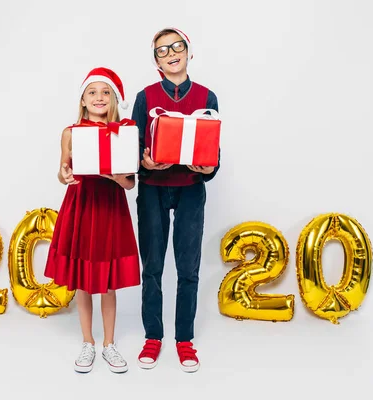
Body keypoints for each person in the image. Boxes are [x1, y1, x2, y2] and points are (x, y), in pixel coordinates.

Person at [131, 27, 220, 373]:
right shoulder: (145, 96)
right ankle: (153, 336)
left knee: (189, 269)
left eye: (176, 46)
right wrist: (144, 161)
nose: (171, 53)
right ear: (156, 62)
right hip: (153, 187)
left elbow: (214, 150)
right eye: (162, 50)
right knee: (152, 266)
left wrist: (208, 167)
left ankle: (185, 340)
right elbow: (134, 148)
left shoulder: (207, 97)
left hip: (191, 188)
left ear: (189, 52)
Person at [44, 67, 140, 374]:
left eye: (105, 92)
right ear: (83, 100)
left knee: (108, 284)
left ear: (113, 99)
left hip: (110, 209)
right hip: (82, 206)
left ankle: (109, 344)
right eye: (92, 92)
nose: (99, 97)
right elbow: (63, 171)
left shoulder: (124, 133)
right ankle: (88, 342)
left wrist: (113, 176)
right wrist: (64, 175)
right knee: (84, 284)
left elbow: (129, 184)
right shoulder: (70, 132)